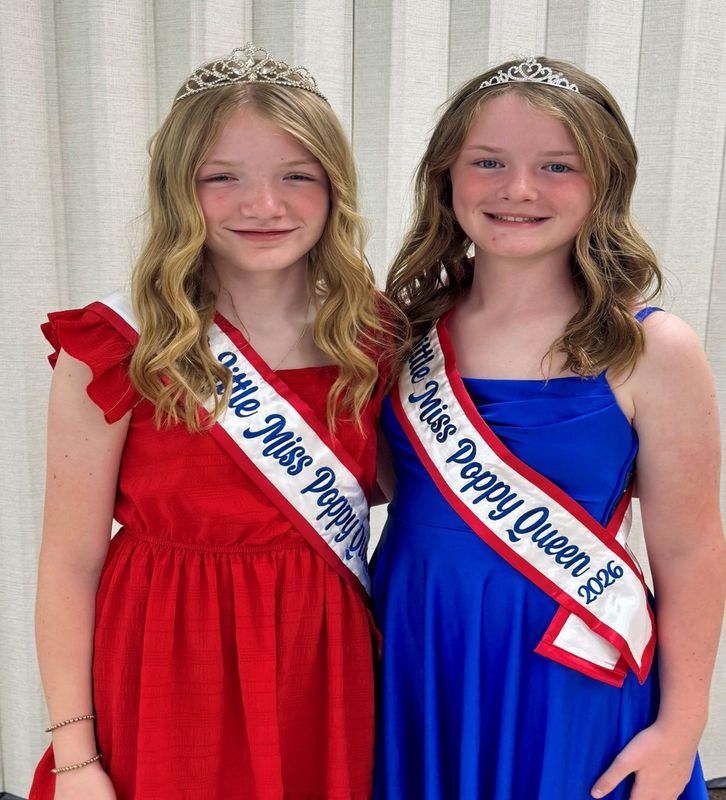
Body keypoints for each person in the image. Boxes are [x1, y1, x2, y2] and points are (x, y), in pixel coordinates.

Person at [30, 43, 397, 800]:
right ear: (178, 191)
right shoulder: (116, 346)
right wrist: (76, 757)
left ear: (334, 189)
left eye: (297, 176)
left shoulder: (371, 342)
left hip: (321, 668)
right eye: (221, 178)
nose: (263, 205)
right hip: (167, 663)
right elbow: (69, 563)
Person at [372, 56, 725, 799]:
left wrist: (681, 725)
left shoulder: (650, 349)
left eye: (556, 166)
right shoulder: (401, 334)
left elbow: (691, 551)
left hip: (570, 672)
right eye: (488, 162)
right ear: (447, 176)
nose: (518, 189)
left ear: (604, 184)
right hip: (417, 657)